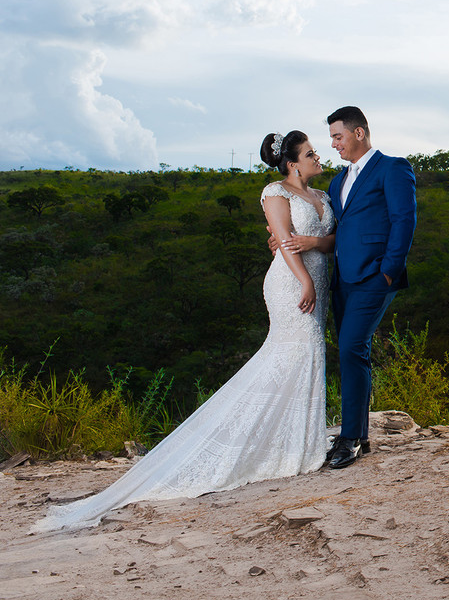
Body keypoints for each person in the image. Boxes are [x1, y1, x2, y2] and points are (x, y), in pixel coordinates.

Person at [32, 131, 334, 532]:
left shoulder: (324, 197)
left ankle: (299, 439)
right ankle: (275, 444)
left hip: (319, 277)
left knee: (307, 356)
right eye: (311, 152)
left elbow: (331, 241)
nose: (318, 156)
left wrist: (314, 242)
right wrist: (305, 282)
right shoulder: (276, 191)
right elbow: (281, 240)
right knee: (289, 355)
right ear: (293, 162)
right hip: (292, 283)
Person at [321, 106, 417, 469]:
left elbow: (404, 219)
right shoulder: (337, 180)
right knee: (353, 352)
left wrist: (389, 272)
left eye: (338, 136)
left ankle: (349, 439)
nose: (333, 144)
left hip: (375, 277)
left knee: (350, 346)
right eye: (331, 138)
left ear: (359, 133)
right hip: (343, 279)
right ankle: (359, 434)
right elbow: (336, 229)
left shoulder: (393, 168)